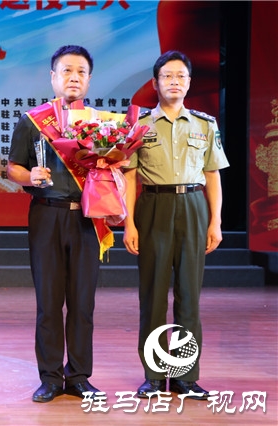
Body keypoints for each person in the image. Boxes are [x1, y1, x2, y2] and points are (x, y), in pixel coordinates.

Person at [122, 50, 229, 400]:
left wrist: (215, 221)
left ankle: (184, 377)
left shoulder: (204, 124)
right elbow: (130, 176)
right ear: (155, 83)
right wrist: (129, 224)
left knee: (189, 296)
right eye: (167, 76)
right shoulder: (139, 124)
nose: (174, 82)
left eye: (180, 76)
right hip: (153, 205)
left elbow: (212, 175)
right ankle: (153, 376)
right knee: (152, 295)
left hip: (194, 206)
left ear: (189, 83)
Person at [7, 45, 104, 402]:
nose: (73, 77)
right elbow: (12, 168)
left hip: (86, 218)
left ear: (89, 80)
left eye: (80, 71)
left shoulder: (100, 123)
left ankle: (78, 376)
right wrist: (29, 175)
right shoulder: (33, 121)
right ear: (53, 77)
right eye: (66, 70)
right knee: (48, 302)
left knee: (82, 302)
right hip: (46, 214)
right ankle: (49, 377)